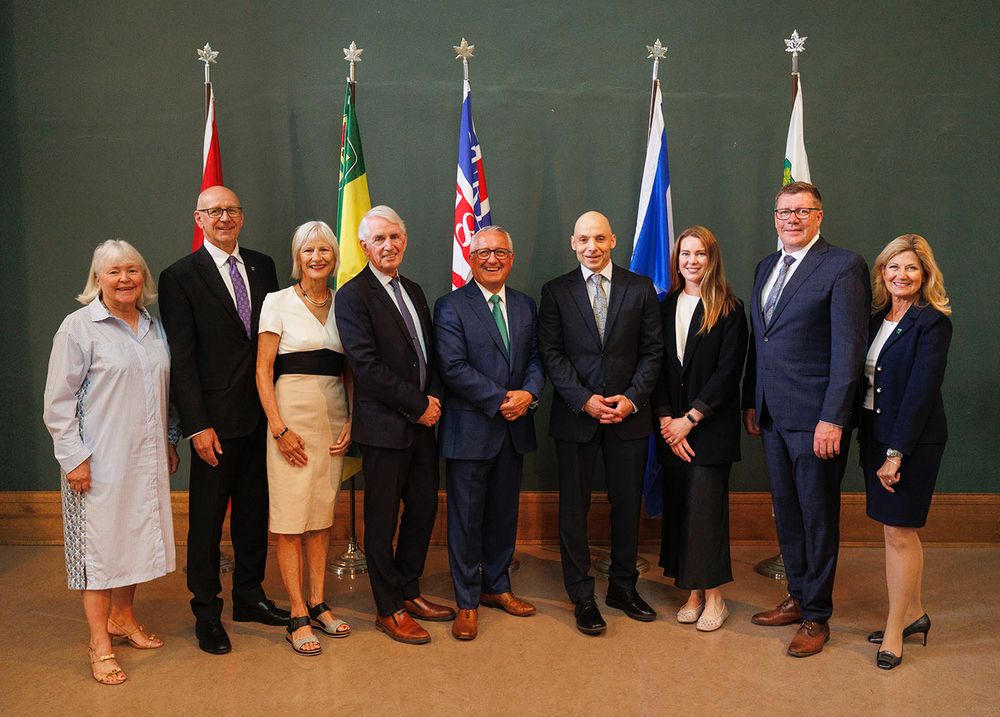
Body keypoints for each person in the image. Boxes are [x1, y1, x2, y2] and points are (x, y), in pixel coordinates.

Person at [43, 240, 180, 685]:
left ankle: (124, 617)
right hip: (96, 463)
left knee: (136, 538)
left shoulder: (153, 328)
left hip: (146, 457)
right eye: (114, 271)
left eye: (133, 271)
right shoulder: (79, 328)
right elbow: (57, 402)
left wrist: (171, 440)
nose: (125, 279)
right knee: (100, 553)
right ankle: (98, 642)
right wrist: (74, 459)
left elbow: (166, 392)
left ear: (144, 279)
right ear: (97, 279)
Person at [742, 181, 869, 657]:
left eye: (802, 211)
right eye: (783, 212)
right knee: (788, 513)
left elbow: (849, 350)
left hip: (817, 421)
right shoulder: (765, 267)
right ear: (774, 217)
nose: (791, 219)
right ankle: (796, 596)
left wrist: (834, 418)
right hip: (773, 416)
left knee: (817, 517)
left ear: (820, 216)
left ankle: (817, 616)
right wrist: (751, 401)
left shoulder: (842, 266)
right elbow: (763, 341)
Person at [158, 185, 286, 655]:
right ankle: (207, 611)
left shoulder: (263, 265)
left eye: (231, 210)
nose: (224, 218)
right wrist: (196, 425)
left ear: (242, 216)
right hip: (213, 423)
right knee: (209, 522)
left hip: (261, 417)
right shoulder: (179, 276)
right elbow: (182, 358)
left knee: (254, 515)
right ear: (199, 218)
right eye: (214, 211)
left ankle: (249, 597)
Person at [537, 210, 663, 636]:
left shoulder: (640, 288)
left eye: (599, 239)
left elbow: (652, 353)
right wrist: (584, 400)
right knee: (574, 509)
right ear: (573, 243)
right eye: (583, 239)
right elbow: (551, 353)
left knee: (627, 506)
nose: (591, 246)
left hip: (629, 417)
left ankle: (623, 587)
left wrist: (630, 400)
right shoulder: (555, 291)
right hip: (576, 417)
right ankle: (582, 594)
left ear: (613, 241)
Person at [336, 205, 455, 644]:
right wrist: (418, 404)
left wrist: (434, 401)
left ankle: (409, 589)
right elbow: (366, 367)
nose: (389, 245)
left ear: (405, 241)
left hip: (425, 425)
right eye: (379, 239)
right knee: (382, 521)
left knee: (424, 509)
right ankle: (387, 608)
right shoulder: (352, 296)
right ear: (365, 246)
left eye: (395, 238)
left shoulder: (416, 290)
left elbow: (430, 356)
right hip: (386, 428)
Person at [433, 226, 546, 640]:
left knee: (503, 516)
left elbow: (536, 359)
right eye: (483, 253)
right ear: (471, 257)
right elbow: (453, 367)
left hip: (514, 430)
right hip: (470, 430)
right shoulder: (450, 306)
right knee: (465, 520)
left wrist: (529, 393)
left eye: (500, 252)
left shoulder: (525, 305)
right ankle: (466, 600)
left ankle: (496, 587)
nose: (492, 259)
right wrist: (503, 398)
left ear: (511, 258)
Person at [255, 221, 353, 656]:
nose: (317, 258)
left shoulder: (343, 304)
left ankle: (318, 602)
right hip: (290, 419)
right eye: (309, 250)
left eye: (325, 251)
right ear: (298, 257)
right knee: (292, 520)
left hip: (333, 418)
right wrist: (278, 428)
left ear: (335, 258)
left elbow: (350, 371)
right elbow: (262, 370)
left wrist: (354, 420)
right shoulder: (276, 302)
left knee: (321, 517)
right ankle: (296, 612)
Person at [859, 235, 952, 670]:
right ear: (882, 272)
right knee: (893, 531)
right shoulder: (878, 317)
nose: (902, 275)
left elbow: (919, 392)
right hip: (875, 434)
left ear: (925, 274)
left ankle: (895, 629)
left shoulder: (932, 322)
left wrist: (896, 453)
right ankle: (914, 613)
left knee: (899, 532)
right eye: (893, 267)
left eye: (911, 268)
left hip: (910, 441)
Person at [651, 226, 748, 632]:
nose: (691, 261)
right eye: (684, 254)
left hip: (708, 430)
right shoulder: (663, 304)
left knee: (706, 512)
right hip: (671, 429)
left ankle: (715, 597)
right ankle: (691, 591)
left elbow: (727, 375)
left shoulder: (729, 308)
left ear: (713, 259)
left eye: (700, 254)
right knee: (681, 510)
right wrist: (665, 422)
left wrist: (689, 421)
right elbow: (655, 367)